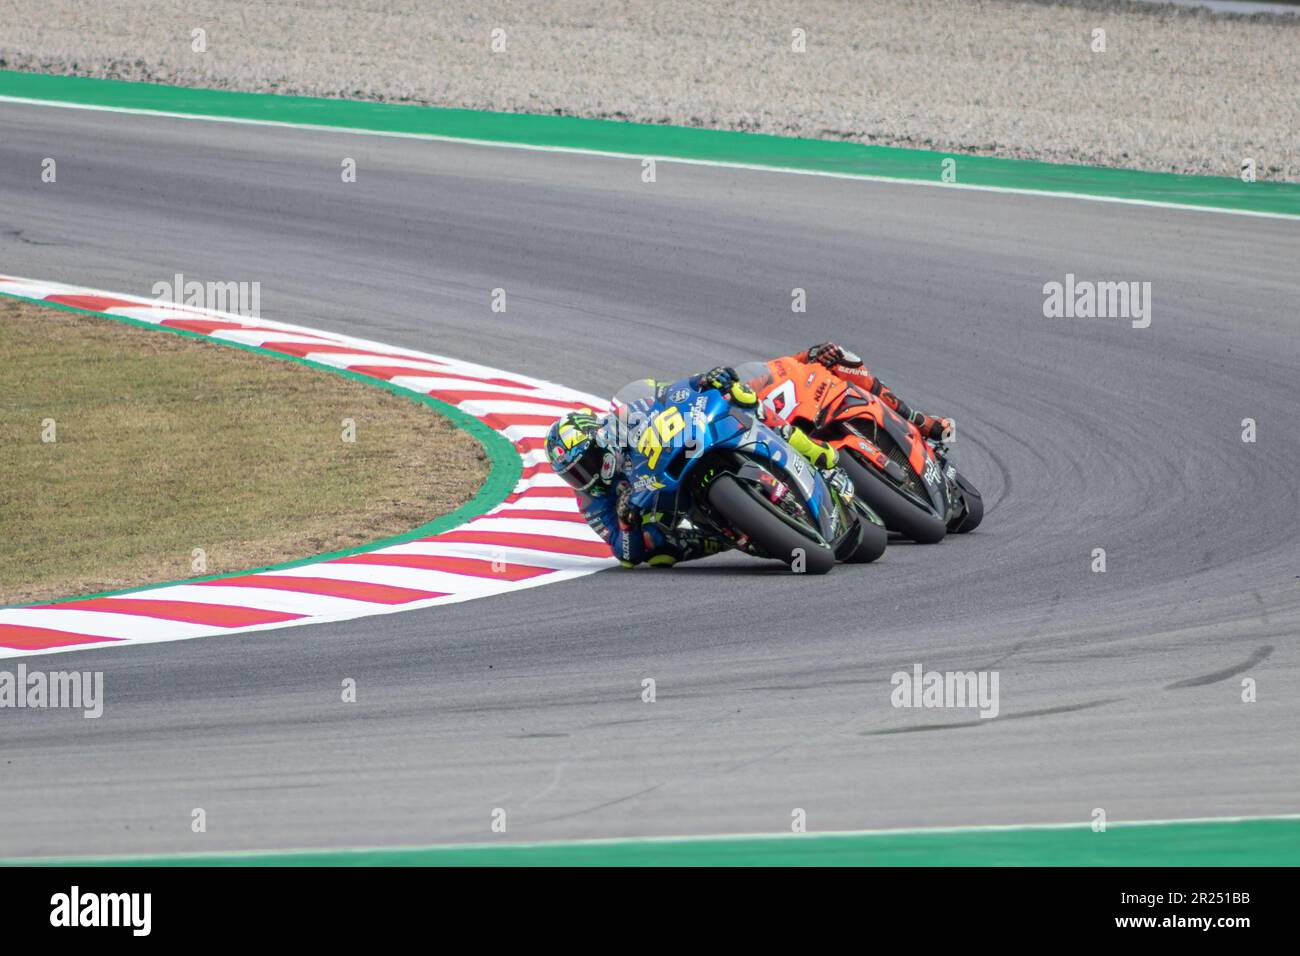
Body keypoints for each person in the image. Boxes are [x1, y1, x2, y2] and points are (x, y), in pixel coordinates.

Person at [545, 366, 848, 567]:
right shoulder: (591, 502)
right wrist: (625, 523)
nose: (583, 477)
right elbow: (624, 555)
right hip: (668, 502)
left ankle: (810, 449)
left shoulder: (621, 421)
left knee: (739, 395)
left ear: (600, 442)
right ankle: (729, 536)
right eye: (573, 474)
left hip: (684, 446)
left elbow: (666, 395)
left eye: (585, 464)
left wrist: (704, 380)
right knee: (656, 553)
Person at [796, 342, 954, 442]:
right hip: (785, 424)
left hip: (816, 394)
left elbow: (788, 364)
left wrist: (813, 354)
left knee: (841, 358)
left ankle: (916, 419)